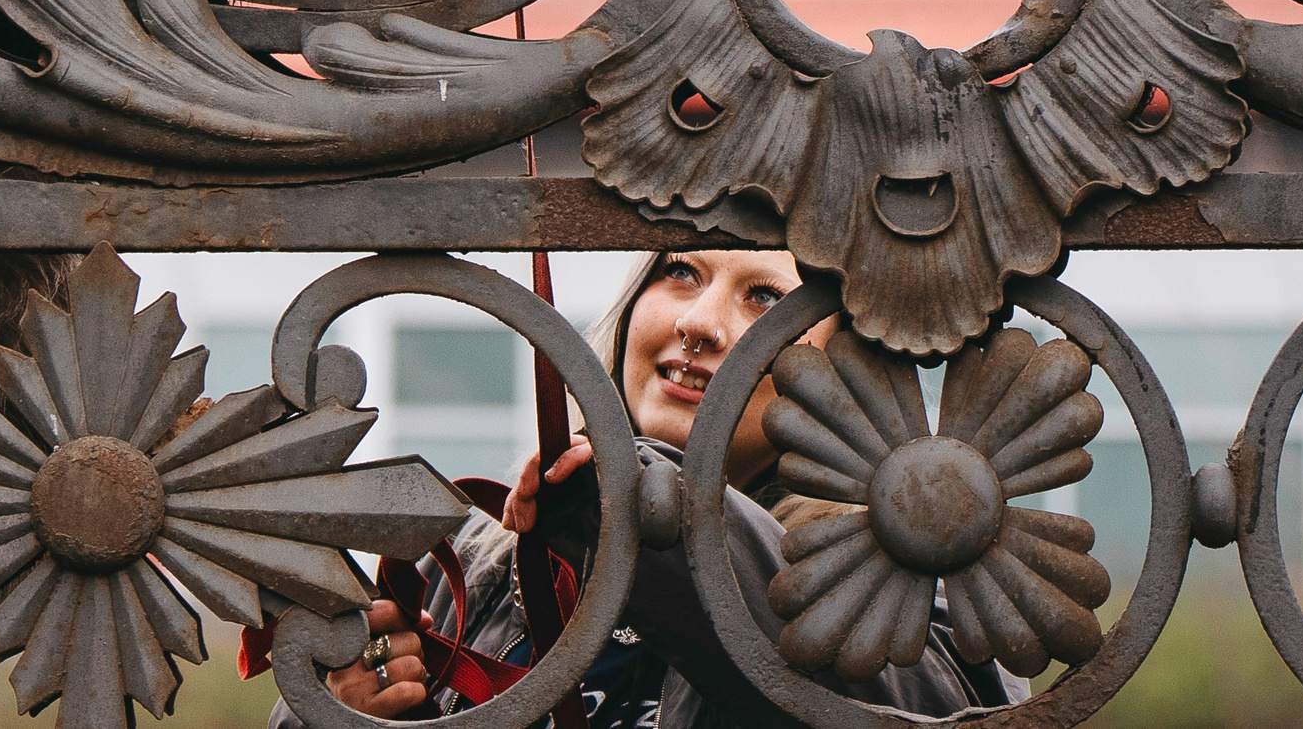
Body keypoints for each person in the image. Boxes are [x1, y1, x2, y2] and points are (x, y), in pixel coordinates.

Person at [297, 249, 1024, 728]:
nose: (697, 321)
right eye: (680, 270)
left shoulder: (914, 575)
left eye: (766, 296)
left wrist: (646, 501)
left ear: (845, 375)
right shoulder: (478, 557)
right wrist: (346, 710)